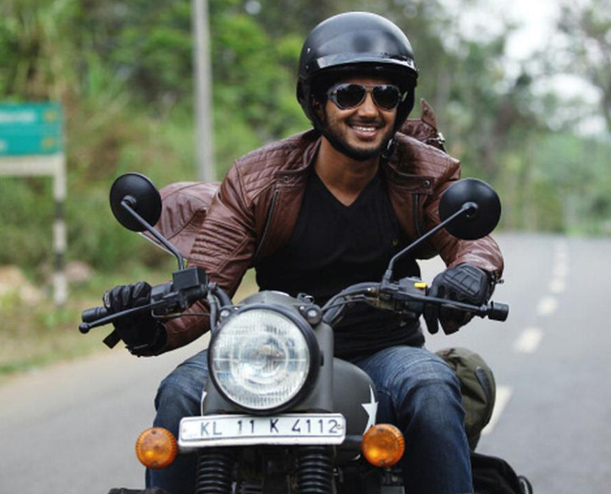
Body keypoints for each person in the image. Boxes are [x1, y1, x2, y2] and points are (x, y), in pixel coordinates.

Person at [102, 11, 504, 494]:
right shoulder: (258, 180)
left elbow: (470, 237)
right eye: (349, 94)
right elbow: (205, 287)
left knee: (432, 387)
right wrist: (149, 326)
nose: (369, 110)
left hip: (382, 350)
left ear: (401, 106)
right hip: (268, 352)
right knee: (180, 394)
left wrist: (472, 271)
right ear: (316, 102)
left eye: (385, 95)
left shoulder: (422, 172)